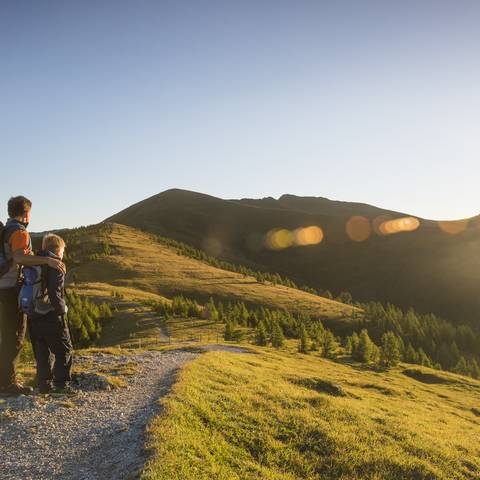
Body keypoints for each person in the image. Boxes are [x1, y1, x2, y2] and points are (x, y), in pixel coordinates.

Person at [0, 196, 65, 396]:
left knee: (6, 336)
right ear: (27, 213)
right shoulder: (19, 232)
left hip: (3, 287)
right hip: (9, 290)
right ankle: (7, 385)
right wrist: (47, 260)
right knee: (15, 337)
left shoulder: (6, 230)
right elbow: (20, 257)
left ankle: (5, 381)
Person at [28, 233, 73, 394]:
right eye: (62, 251)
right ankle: (61, 386)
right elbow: (55, 293)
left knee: (42, 351)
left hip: (33, 314)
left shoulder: (32, 261)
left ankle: (43, 385)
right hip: (50, 314)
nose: (62, 255)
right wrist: (62, 311)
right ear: (58, 249)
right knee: (63, 350)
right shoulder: (56, 265)